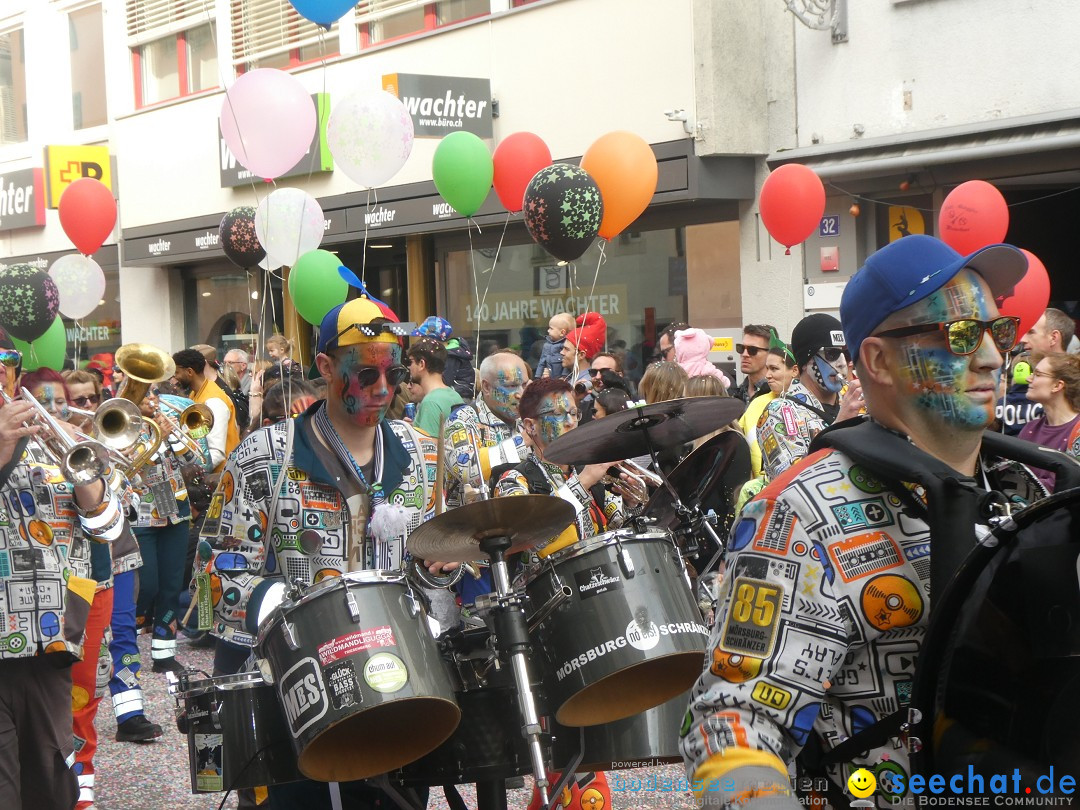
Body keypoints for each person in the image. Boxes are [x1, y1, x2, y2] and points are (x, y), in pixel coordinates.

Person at [682, 234, 1045, 809]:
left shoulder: (1024, 490)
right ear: (876, 360)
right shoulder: (800, 513)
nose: (993, 358)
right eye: (958, 335)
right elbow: (730, 725)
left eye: (998, 332)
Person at [196, 295, 440, 809]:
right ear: (325, 366)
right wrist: (296, 611)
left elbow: (431, 575)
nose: (381, 389)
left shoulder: (419, 454)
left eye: (393, 374)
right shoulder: (266, 456)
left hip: (395, 687)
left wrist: (442, 570)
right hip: (292, 695)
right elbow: (212, 577)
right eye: (364, 374)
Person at [0, 350, 123, 808]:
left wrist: (83, 471)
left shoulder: (55, 444)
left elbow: (110, 530)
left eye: (6, 360)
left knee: (51, 783)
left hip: (49, 643)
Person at [61, 369, 164, 746]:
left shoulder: (105, 442)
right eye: (77, 401)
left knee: (123, 633)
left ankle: (130, 713)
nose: (86, 407)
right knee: (76, 645)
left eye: (91, 399)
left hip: (118, 554)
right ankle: (71, 731)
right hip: (78, 563)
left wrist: (124, 484)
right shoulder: (50, 447)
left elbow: (135, 498)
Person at [756, 313, 862, 480]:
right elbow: (790, 480)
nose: (842, 363)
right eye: (832, 354)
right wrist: (840, 425)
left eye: (846, 354)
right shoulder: (780, 413)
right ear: (806, 362)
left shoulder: (856, 404)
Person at [1017, 352, 1080, 491]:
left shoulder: (1078, 432)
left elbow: (1064, 487)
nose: (1028, 378)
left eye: (1038, 374)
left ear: (1057, 385)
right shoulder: (1030, 428)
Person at [171, 348, 239, 473]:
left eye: (177, 372)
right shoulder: (194, 394)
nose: (175, 378)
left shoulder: (214, 400)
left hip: (220, 476)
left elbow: (217, 452)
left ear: (189, 372)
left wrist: (194, 474)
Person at [408, 336, 465, 436]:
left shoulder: (430, 402)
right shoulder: (454, 395)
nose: (409, 367)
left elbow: (430, 447)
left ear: (421, 364)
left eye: (411, 362)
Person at [413, 315, 476, 399]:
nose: (420, 342)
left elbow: (444, 382)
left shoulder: (450, 356)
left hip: (459, 397)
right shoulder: (445, 353)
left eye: (423, 338)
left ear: (433, 341)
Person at [732, 323, 775, 403]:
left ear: (770, 353)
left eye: (752, 350)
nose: (744, 354)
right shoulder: (736, 393)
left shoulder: (778, 395)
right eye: (741, 348)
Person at [535, 312, 575, 379]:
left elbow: (568, 364)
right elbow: (541, 362)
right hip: (548, 378)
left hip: (562, 380)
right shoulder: (546, 345)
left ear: (562, 332)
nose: (548, 331)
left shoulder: (566, 346)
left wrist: (564, 376)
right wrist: (538, 376)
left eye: (551, 328)